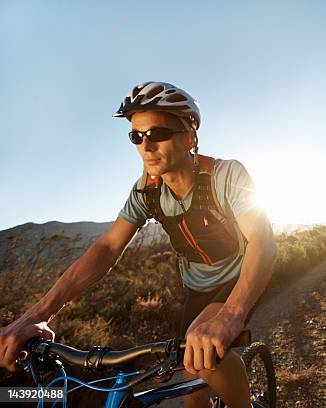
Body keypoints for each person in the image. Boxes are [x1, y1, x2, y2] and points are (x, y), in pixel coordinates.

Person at [0, 81, 277, 408]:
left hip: (237, 276)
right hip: (196, 287)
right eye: (136, 136)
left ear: (189, 137)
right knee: (192, 388)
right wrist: (35, 316)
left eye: (157, 134)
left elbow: (262, 238)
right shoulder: (147, 190)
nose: (145, 146)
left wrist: (233, 312)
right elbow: (106, 249)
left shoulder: (226, 175)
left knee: (205, 360)